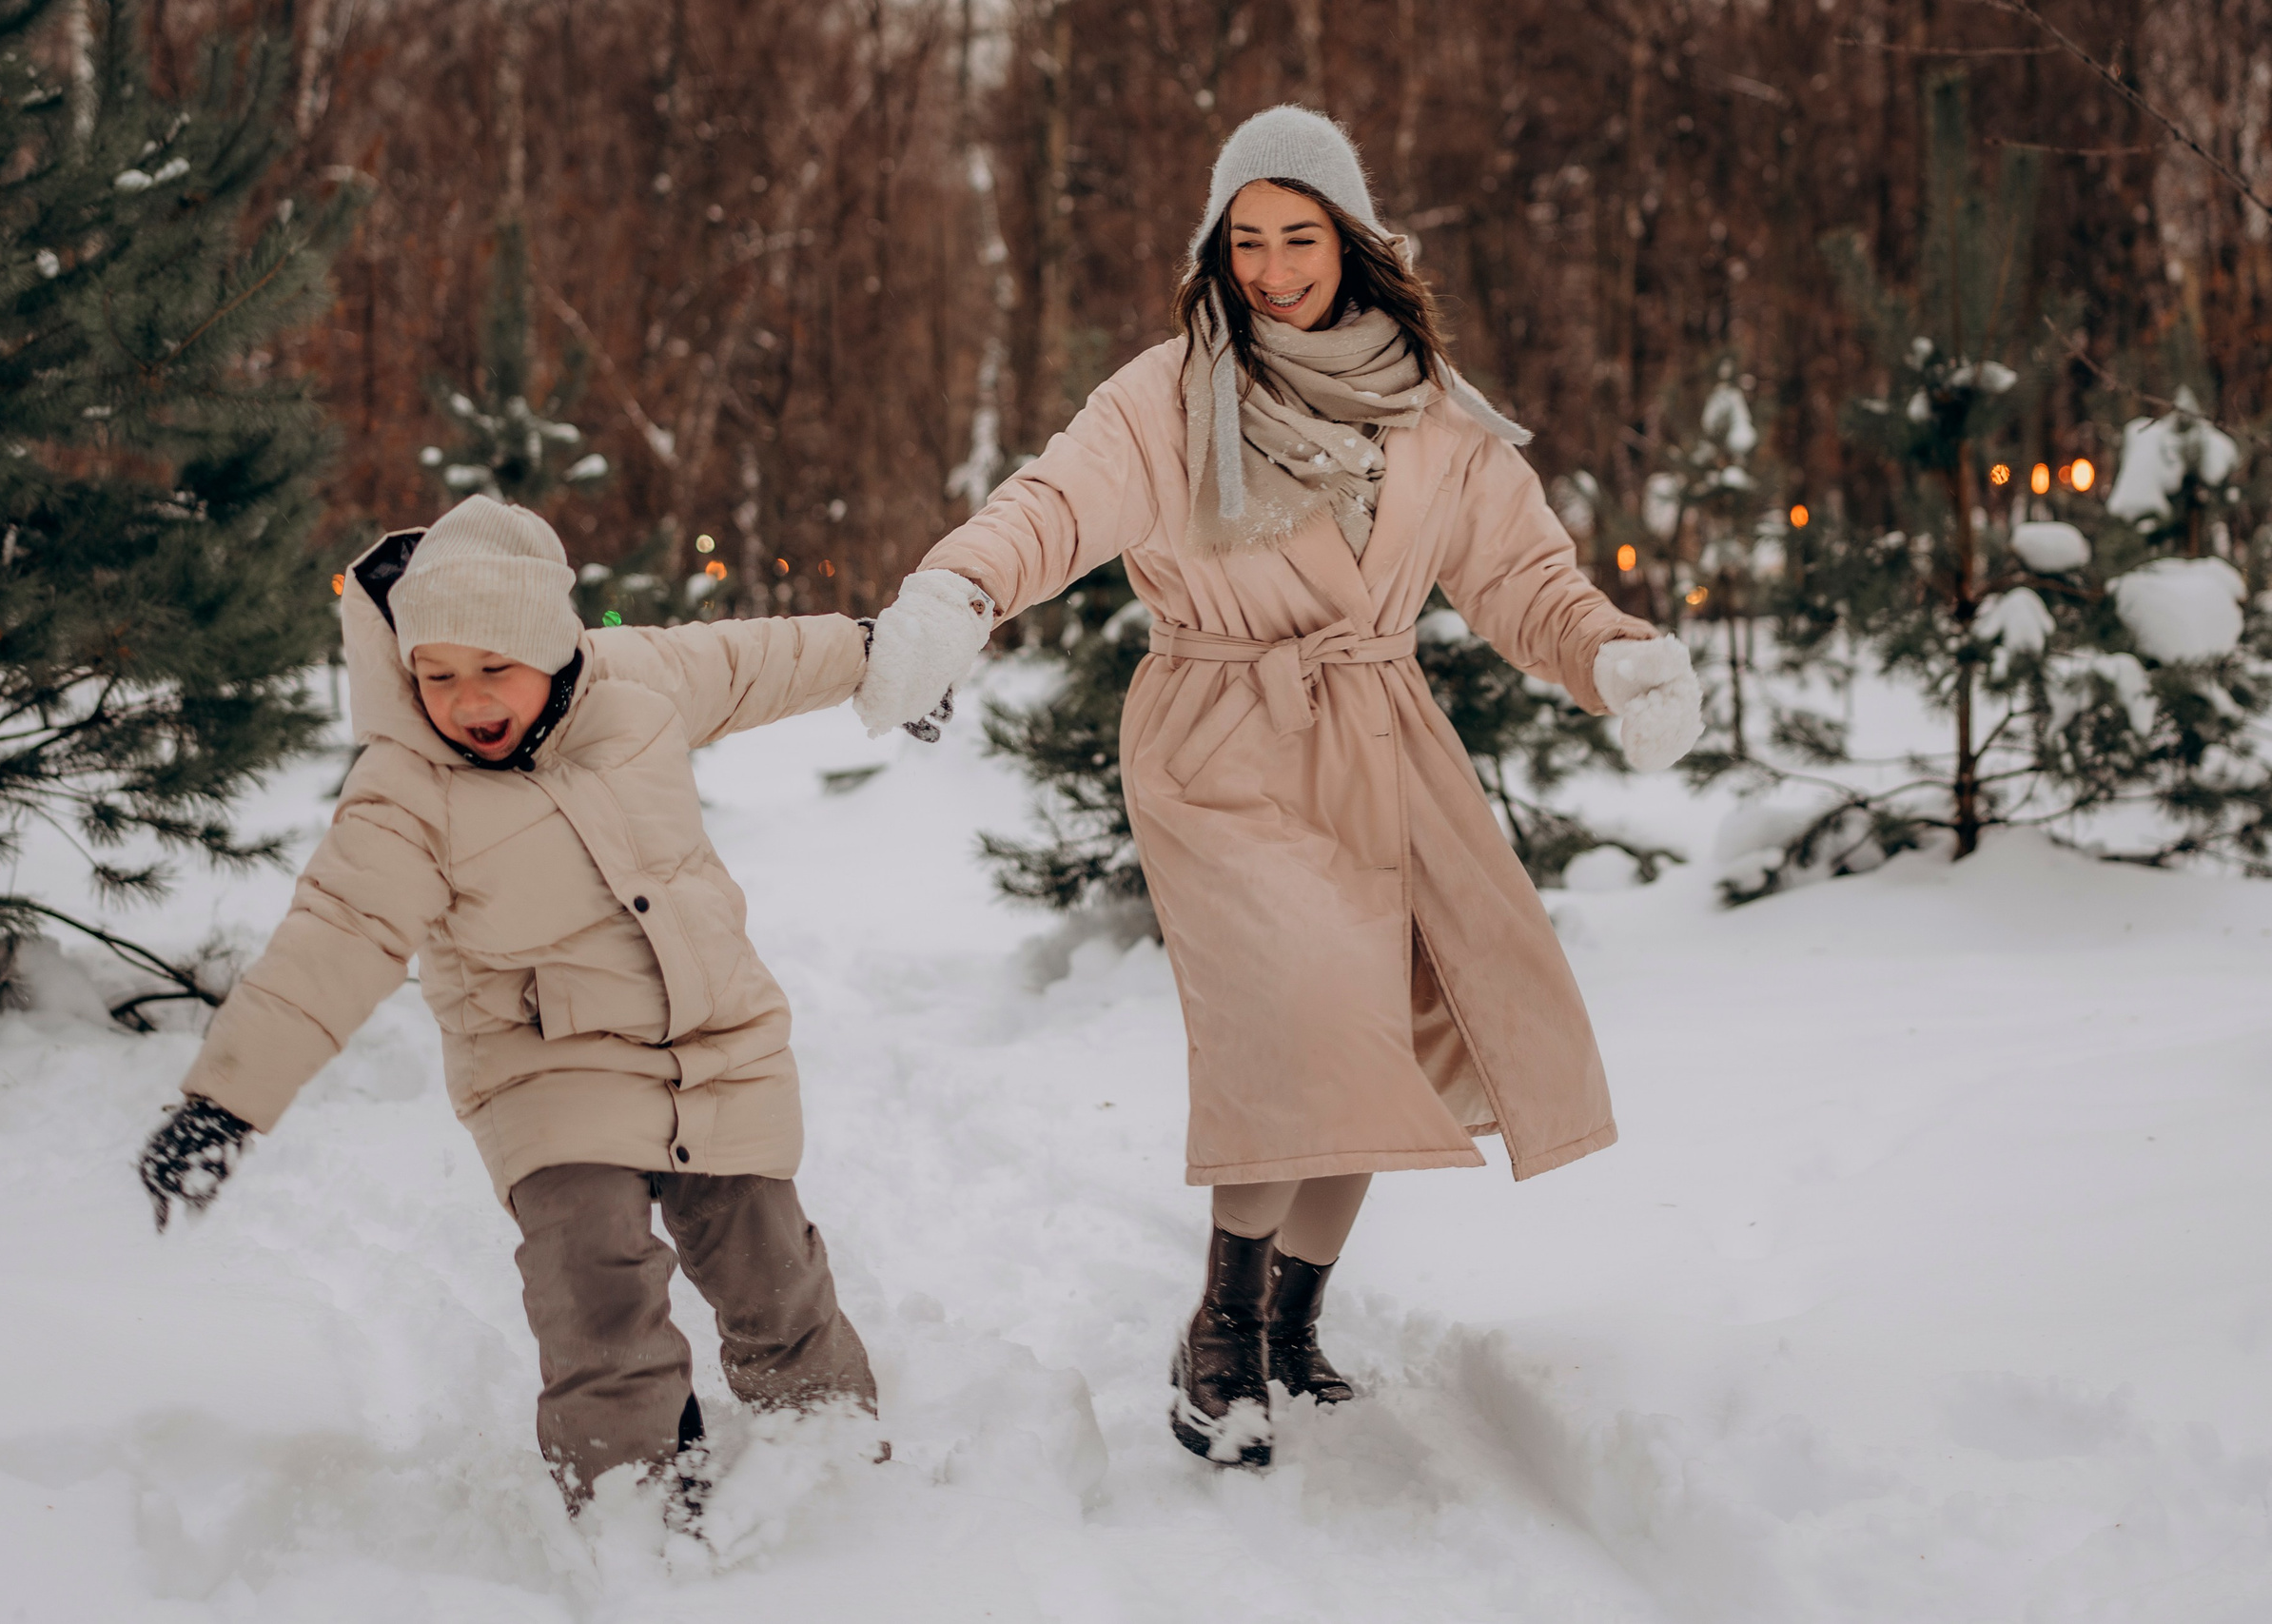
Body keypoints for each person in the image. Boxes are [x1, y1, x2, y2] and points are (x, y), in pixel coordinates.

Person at [856, 106, 1703, 1469]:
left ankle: (1295, 1323)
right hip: (1219, 732)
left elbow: (1522, 574)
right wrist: (960, 589)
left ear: (1353, 240)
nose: (1269, 265)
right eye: (1243, 240)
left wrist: (1613, 657)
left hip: (1378, 730)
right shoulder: (1166, 394)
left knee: (1376, 1023)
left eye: (1296, 235)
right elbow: (1050, 503)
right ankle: (1222, 1330)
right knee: (1298, 1010)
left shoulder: (1432, 408)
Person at [135, 493, 919, 1512]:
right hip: (545, 1069)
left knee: (773, 1274)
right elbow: (335, 938)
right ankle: (633, 1494)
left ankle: (834, 1465)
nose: (465, 701)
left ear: (553, 649)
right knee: (595, 1284)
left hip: (712, 1045)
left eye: (493, 669)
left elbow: (754, 658)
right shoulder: (408, 789)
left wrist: (882, 656)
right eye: (437, 674)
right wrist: (224, 1100)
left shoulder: (637, 683)